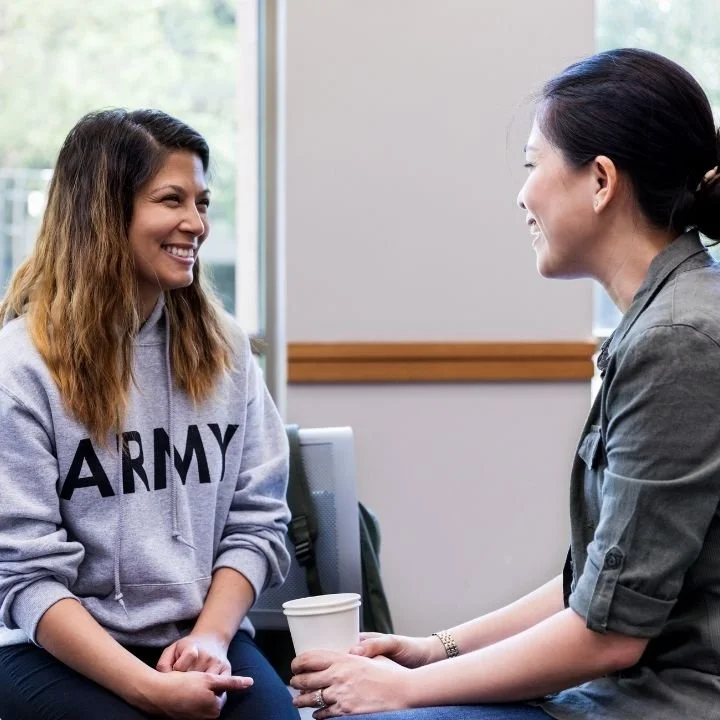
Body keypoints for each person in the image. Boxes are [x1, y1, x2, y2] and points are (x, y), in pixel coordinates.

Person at [290, 47, 720, 719]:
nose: (522, 194)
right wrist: (438, 649)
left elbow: (608, 636)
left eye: (532, 165)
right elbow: (598, 586)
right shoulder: (666, 320)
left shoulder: (678, 340)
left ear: (601, 181)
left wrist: (402, 689)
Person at [0, 109, 300, 720]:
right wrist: (145, 691)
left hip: (196, 636)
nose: (197, 223)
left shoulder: (226, 351)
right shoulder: (20, 368)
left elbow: (258, 522)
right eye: (172, 200)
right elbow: (25, 577)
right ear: (103, 214)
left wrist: (211, 640)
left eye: (203, 202)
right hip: (49, 649)